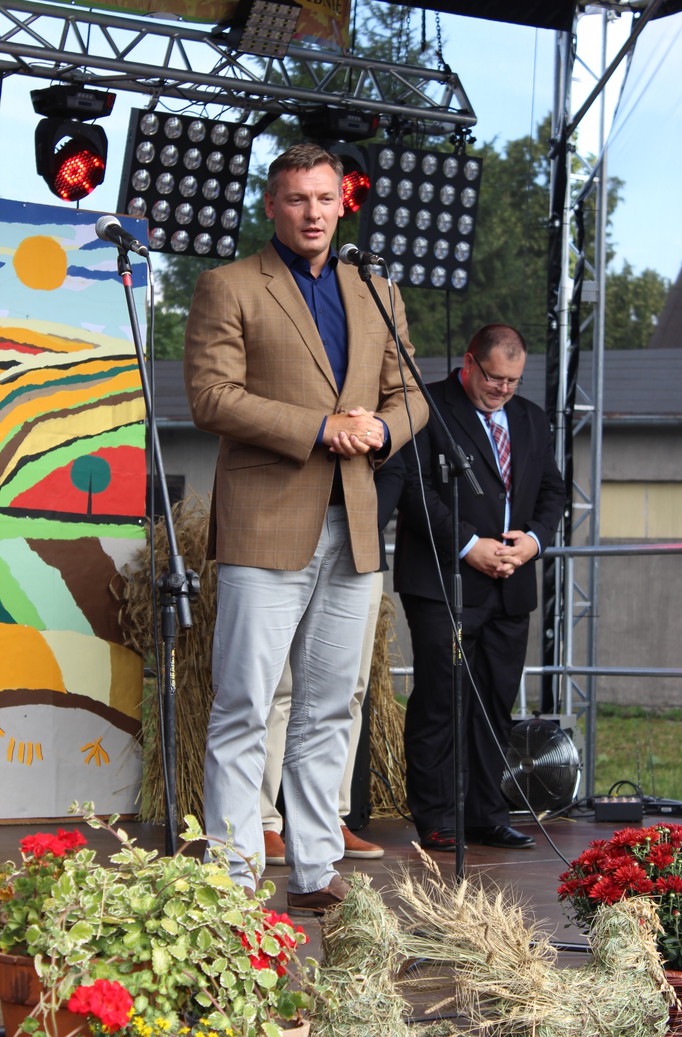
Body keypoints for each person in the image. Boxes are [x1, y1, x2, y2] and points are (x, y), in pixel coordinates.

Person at [183, 143, 428, 914]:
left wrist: (380, 431)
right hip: (265, 524)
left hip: (354, 523)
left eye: (324, 198)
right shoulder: (228, 285)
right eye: (296, 198)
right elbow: (210, 397)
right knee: (245, 706)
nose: (312, 212)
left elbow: (411, 395)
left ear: (341, 203)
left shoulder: (375, 289)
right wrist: (323, 427)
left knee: (331, 705)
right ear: (271, 205)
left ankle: (315, 867)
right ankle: (231, 875)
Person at [394, 323, 565, 852]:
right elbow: (414, 489)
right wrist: (470, 545)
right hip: (444, 582)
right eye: (494, 378)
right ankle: (438, 817)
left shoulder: (530, 418)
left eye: (513, 381)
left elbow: (553, 490)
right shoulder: (426, 407)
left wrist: (532, 541)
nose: (503, 389)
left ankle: (488, 814)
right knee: (441, 701)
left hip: (511, 584)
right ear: (469, 363)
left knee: (494, 703)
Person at [261, 454, 406, 866]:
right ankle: (263, 821)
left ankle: (329, 818)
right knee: (278, 690)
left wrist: (361, 523)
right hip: (286, 540)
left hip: (360, 548)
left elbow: (394, 466)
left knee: (348, 691)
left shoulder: (380, 411)